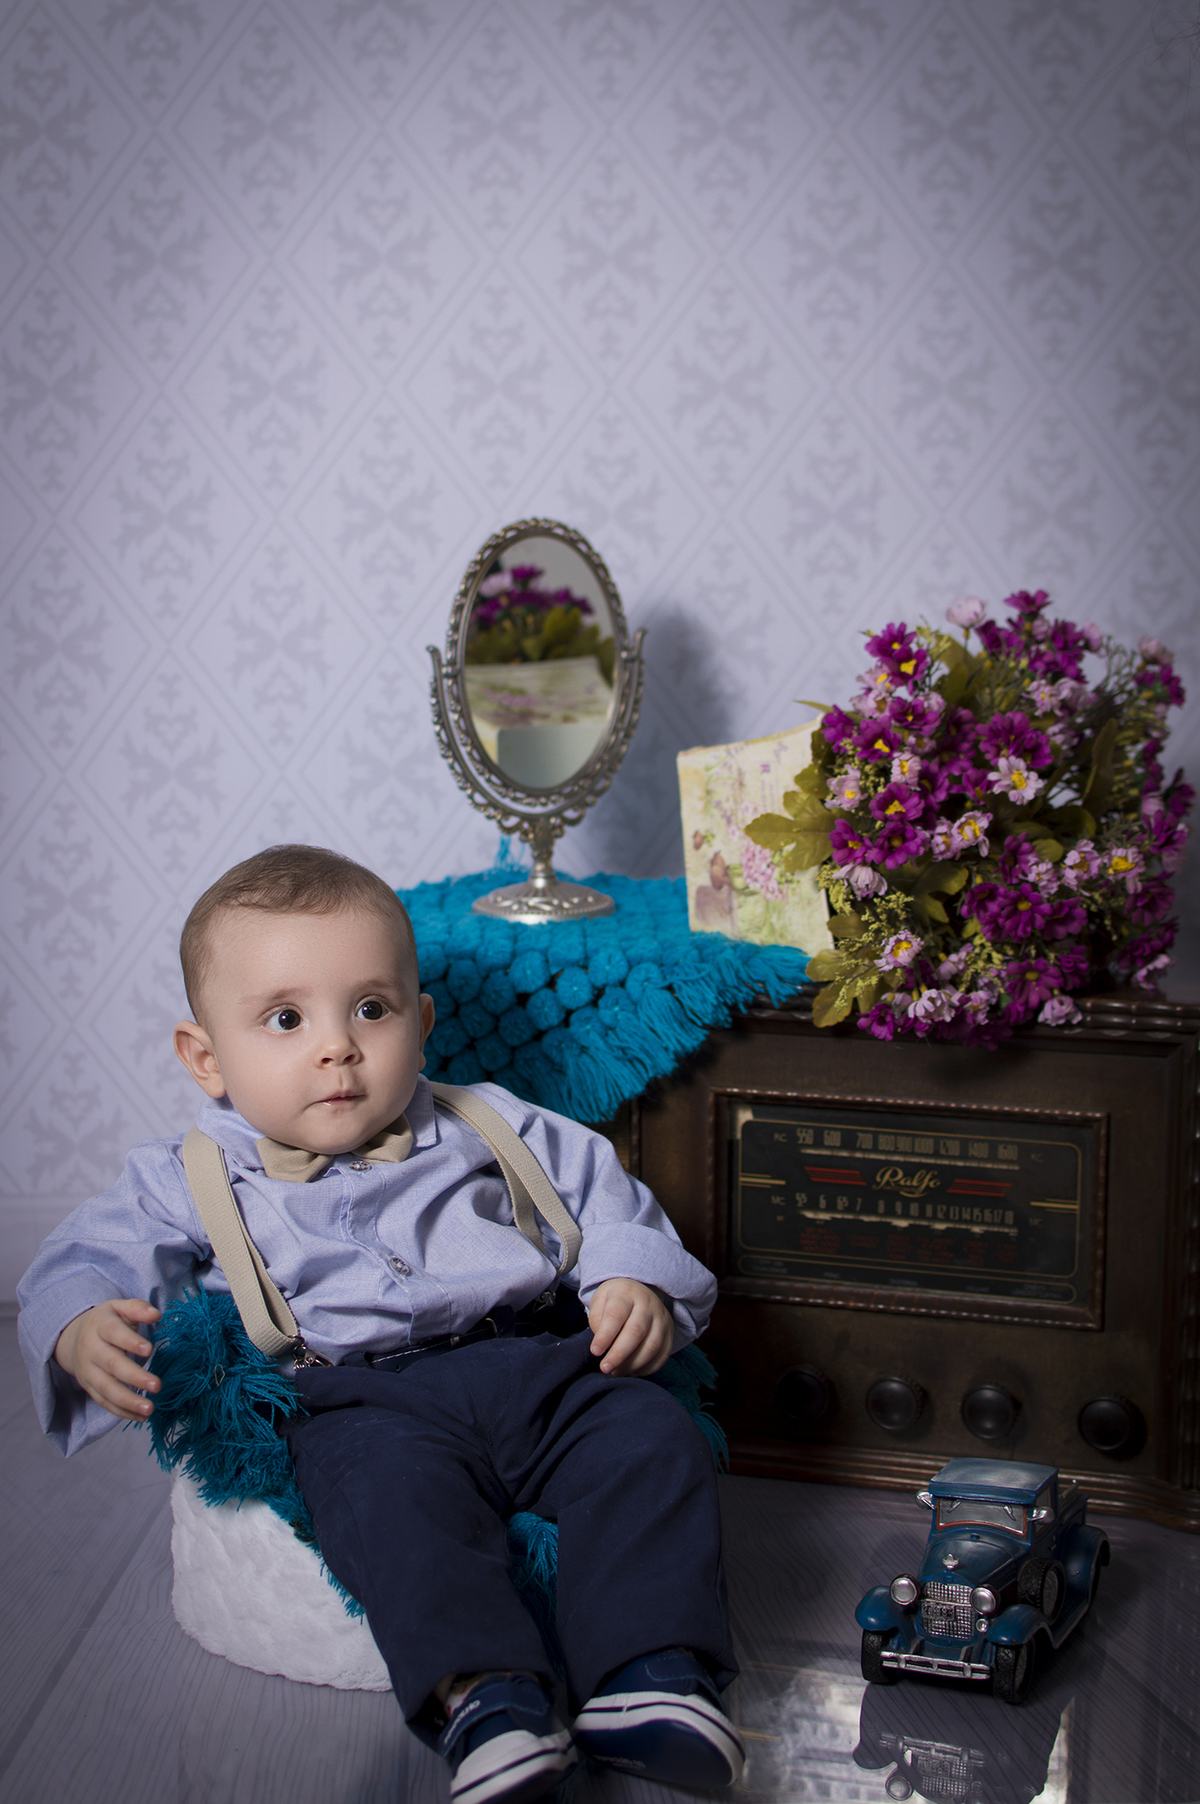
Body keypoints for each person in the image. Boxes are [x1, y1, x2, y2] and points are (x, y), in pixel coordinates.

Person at [18, 845, 743, 1804]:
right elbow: (80, 1258)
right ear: (207, 1058)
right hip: (359, 1399)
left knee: (648, 1437)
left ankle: (651, 1676)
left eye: (371, 1009)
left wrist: (630, 1283)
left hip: (538, 1360)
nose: (338, 1047)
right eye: (285, 1019)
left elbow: (607, 1197)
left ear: (422, 1021)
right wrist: (77, 1325)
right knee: (386, 1503)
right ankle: (486, 1699)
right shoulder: (186, 1174)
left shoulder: (490, 1122)